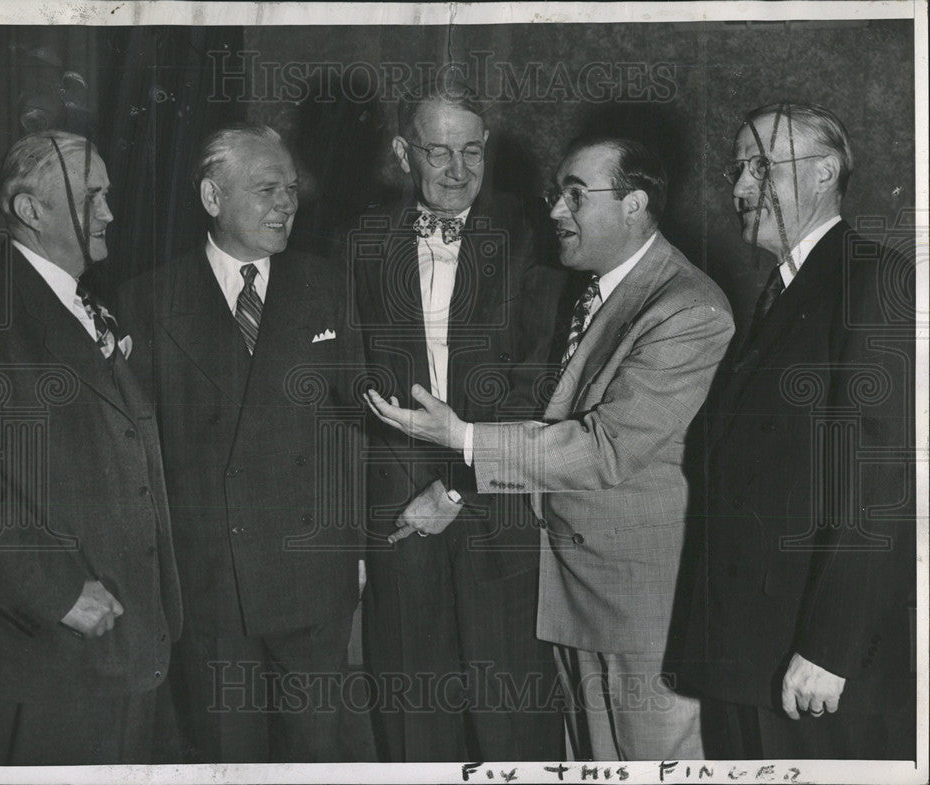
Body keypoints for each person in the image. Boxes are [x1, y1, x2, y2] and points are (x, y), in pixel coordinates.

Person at [366, 134, 735, 761]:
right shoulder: (597, 287)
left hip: (643, 606)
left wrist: (463, 438)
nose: (556, 212)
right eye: (554, 194)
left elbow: (603, 449)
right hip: (574, 590)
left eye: (574, 196)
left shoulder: (687, 308)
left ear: (634, 204)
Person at [115, 123, 365, 763]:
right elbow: (134, 460)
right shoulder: (145, 300)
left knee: (314, 761)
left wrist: (356, 549)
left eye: (291, 188)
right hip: (210, 593)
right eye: (265, 189)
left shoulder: (327, 286)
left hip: (312, 587)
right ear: (210, 197)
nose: (287, 203)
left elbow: (362, 427)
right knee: (227, 761)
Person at [683, 102, 916, 759]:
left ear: (824, 173)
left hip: (810, 668)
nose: (737, 187)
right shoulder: (780, 293)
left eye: (761, 165)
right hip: (745, 657)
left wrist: (828, 647)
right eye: (736, 169)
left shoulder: (874, 280)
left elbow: (878, 482)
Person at [348, 77, 566, 761]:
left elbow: (541, 378)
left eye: (472, 151)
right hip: (397, 520)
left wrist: (457, 489)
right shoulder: (358, 241)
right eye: (438, 152)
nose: (457, 171)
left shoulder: (532, 235)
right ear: (401, 152)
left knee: (512, 721)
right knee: (414, 721)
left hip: (498, 513)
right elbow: (345, 383)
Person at [0, 131, 183, 765]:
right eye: (92, 197)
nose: (110, 212)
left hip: (127, 648)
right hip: (52, 659)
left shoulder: (85, 302)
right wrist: (56, 593)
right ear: (30, 211)